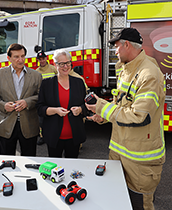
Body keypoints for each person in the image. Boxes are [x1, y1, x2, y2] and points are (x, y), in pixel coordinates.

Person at [86, 28, 166, 210]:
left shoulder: (149, 74)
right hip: (119, 154)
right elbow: (122, 105)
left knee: (139, 206)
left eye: (116, 47)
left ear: (127, 45)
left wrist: (101, 106)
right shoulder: (126, 69)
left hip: (140, 161)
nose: (115, 52)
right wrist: (103, 116)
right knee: (119, 202)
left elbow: (139, 116)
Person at [0, 43, 42, 156]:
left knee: (30, 160)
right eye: (16, 57)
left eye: (22, 56)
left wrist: (27, 102)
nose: (20, 60)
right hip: (6, 124)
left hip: (29, 124)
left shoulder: (36, 75)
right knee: (6, 162)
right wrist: (3, 105)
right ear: (9, 58)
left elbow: (40, 97)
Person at [36, 49, 87, 158]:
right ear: (55, 65)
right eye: (61, 64)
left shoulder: (79, 82)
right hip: (53, 136)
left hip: (74, 136)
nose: (65, 66)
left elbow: (86, 106)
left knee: (72, 168)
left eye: (68, 62)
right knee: (55, 168)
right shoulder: (46, 84)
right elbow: (40, 108)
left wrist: (80, 109)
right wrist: (55, 110)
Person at [36, 51, 58, 145]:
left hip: (54, 96)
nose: (42, 61)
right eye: (40, 59)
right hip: (43, 98)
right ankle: (42, 137)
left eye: (43, 59)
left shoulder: (53, 69)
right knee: (41, 120)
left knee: (54, 117)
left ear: (46, 58)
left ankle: (54, 135)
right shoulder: (37, 72)